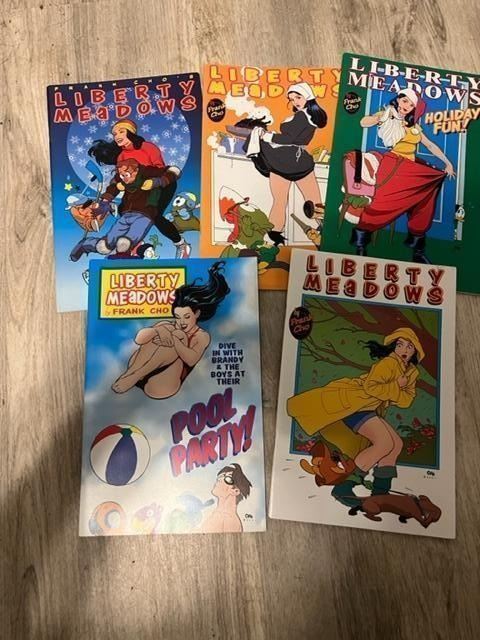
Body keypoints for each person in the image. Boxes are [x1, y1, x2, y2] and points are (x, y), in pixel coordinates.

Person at [287, 328, 424, 509]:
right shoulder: (388, 363)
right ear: (393, 347)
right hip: (356, 404)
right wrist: (396, 386)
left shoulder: (411, 372)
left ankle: (380, 492)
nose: (404, 350)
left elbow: (406, 400)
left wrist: (394, 390)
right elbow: (371, 388)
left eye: (409, 346)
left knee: (396, 444)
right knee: (384, 443)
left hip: (370, 407)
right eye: (400, 345)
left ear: (415, 351)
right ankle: (344, 487)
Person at [350, 89, 456, 263]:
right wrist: (379, 118)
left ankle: (418, 251)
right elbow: (363, 122)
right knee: (383, 204)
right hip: (394, 165)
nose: (407, 106)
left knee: (425, 201)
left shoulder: (414, 126)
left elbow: (430, 145)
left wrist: (447, 162)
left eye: (411, 104)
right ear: (398, 100)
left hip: (412, 167)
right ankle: (361, 244)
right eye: (405, 101)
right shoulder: (387, 114)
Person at [111, 261, 230, 399]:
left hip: (162, 384)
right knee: (164, 328)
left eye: (186, 317)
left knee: (178, 335)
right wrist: (158, 331)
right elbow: (139, 339)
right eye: (178, 317)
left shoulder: (201, 336)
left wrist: (174, 339)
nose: (181, 322)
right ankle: (131, 374)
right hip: (135, 368)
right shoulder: (168, 324)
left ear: (196, 314)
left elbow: (191, 360)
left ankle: (136, 375)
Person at [89, 119, 191, 258]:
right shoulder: (122, 156)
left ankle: (182, 245)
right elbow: (121, 178)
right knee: (126, 211)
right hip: (139, 188)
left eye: (121, 131)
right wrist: (107, 198)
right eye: (114, 134)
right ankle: (132, 244)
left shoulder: (147, 147)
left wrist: (154, 182)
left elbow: (161, 170)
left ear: (130, 133)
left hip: (162, 183)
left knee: (153, 215)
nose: (117, 136)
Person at [244, 83, 327, 244]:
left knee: (281, 200)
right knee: (312, 200)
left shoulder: (303, 116)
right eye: (292, 99)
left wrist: (267, 136)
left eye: (298, 97)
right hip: (298, 159)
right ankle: (324, 228)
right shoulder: (309, 116)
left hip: (285, 160)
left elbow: (289, 138)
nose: (295, 101)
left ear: (308, 96)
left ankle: (275, 233)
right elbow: (291, 137)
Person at [70, 158, 178, 261]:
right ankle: (85, 244)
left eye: (126, 175)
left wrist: (158, 182)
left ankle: (122, 258)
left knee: (124, 243)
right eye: (122, 176)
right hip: (126, 215)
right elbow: (113, 187)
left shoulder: (147, 172)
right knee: (104, 247)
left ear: (135, 171)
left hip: (145, 215)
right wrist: (104, 204)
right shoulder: (122, 179)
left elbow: (174, 171)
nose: (124, 179)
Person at [199, 464, 252, 533]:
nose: (219, 479)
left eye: (227, 478)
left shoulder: (229, 520)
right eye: (220, 476)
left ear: (236, 491)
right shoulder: (219, 514)